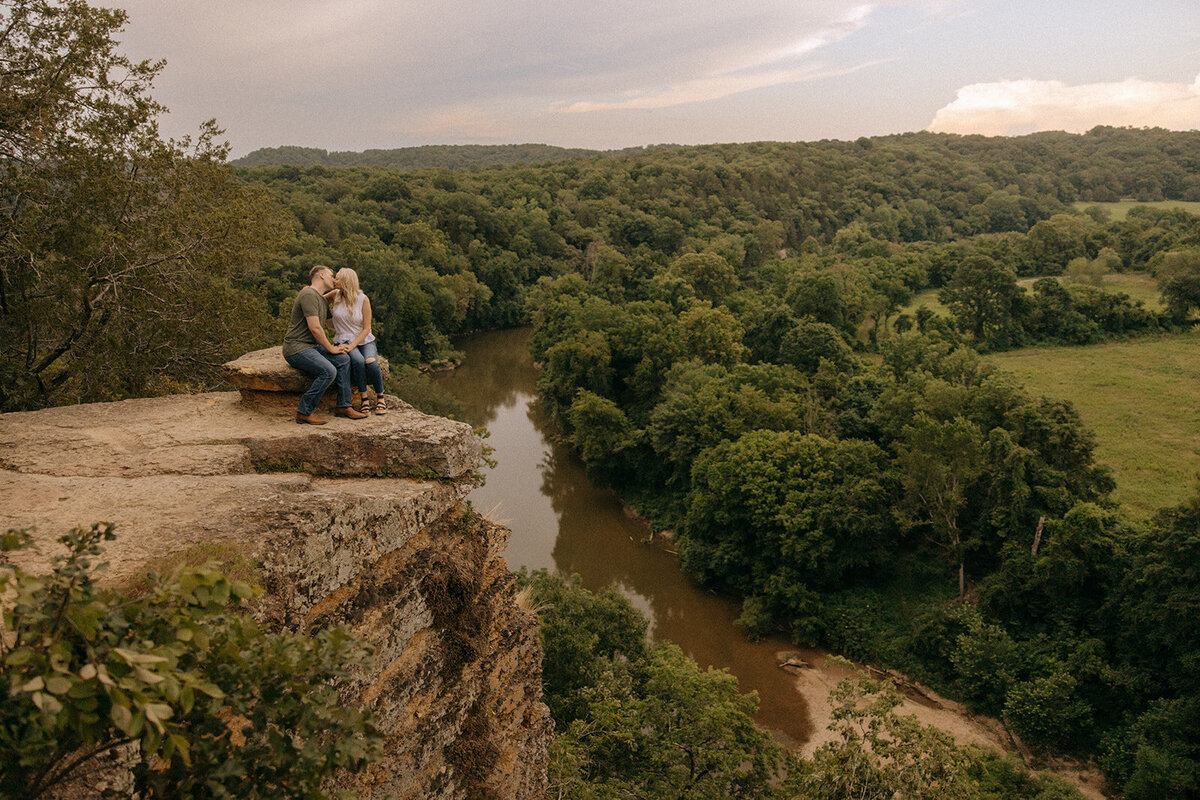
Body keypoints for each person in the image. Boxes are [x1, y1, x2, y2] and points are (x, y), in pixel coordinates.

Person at [282, 264, 368, 424]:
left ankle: (343, 406)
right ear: (322, 275)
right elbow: (315, 328)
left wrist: (355, 330)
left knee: (343, 360)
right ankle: (304, 411)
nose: (334, 279)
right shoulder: (308, 294)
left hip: (311, 347)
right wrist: (331, 349)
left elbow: (331, 324)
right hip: (296, 348)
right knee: (328, 371)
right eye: (331, 275)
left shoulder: (321, 299)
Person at [328, 267, 387, 415]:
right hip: (344, 339)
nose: (334, 280)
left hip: (364, 340)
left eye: (337, 277)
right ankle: (364, 399)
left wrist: (353, 345)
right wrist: (308, 290)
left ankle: (381, 397)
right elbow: (316, 300)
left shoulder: (363, 299)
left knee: (371, 362)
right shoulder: (335, 295)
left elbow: (367, 328)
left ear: (346, 280)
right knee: (358, 361)